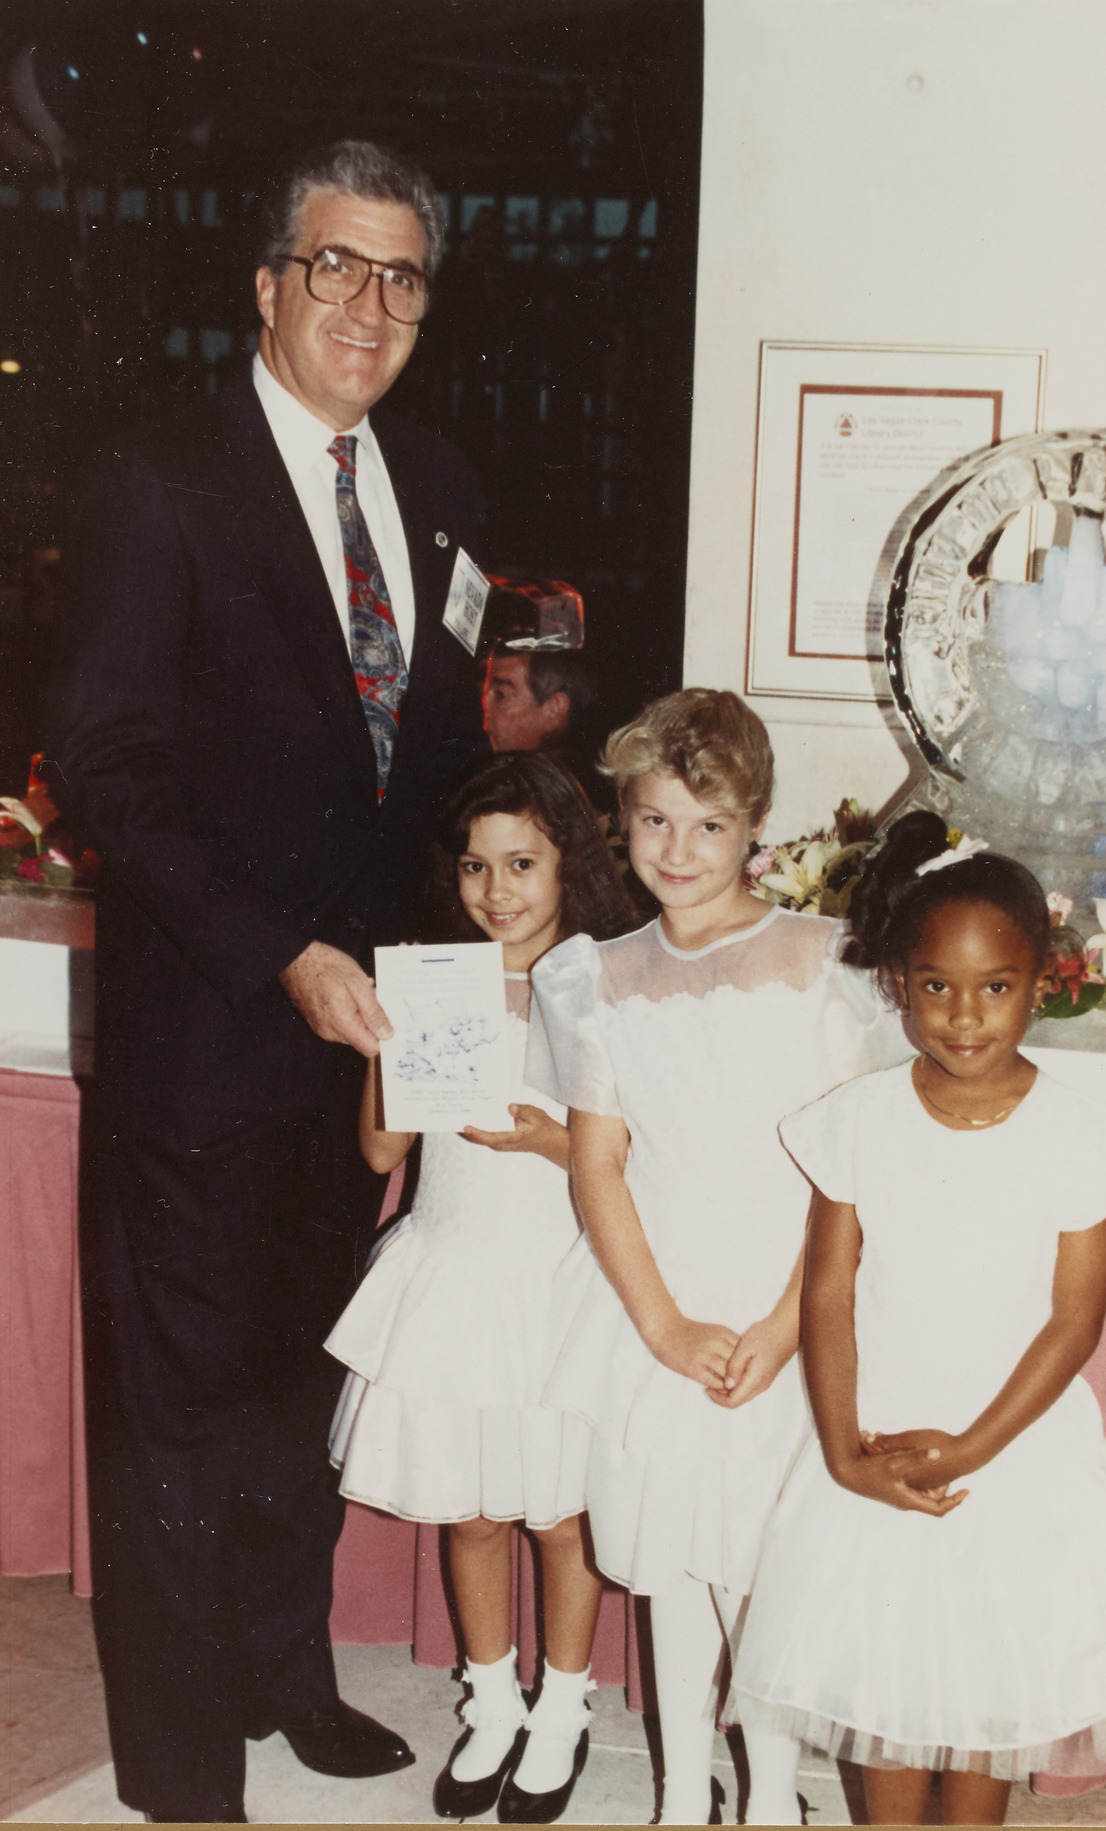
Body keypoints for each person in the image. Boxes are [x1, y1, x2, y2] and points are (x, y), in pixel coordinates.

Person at [46, 140, 487, 1823]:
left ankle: (282, 1675)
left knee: (308, 1380)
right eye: (333, 267)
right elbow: (109, 767)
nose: (366, 305)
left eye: (399, 275)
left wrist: (460, 988)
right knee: (179, 1407)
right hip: (208, 1039)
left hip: (368, 1056)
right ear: (265, 285)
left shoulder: (435, 477)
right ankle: (175, 1767)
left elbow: (434, 769)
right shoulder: (158, 477)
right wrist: (279, 953)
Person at [730, 812, 1106, 1827]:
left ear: (1040, 981)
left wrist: (973, 1448)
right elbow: (829, 1293)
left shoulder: (1075, 1133)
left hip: (1012, 1455)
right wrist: (844, 1451)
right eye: (936, 986)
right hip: (878, 1442)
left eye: (994, 986)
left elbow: (1073, 1322)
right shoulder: (858, 1118)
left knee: (990, 1698)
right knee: (890, 1694)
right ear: (898, 984)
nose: (963, 1015)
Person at [525, 688, 910, 1825]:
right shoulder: (590, 975)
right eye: (652, 821)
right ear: (620, 822)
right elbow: (597, 1162)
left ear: (755, 829)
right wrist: (660, 1324)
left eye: (706, 825)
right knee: (676, 1552)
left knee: (766, 1561)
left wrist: (788, 1323)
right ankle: (684, 1787)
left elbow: (850, 1166)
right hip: (663, 1305)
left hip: (790, 1299)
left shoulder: (819, 961)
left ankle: (771, 1791)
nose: (677, 850)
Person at [325, 753, 635, 1824]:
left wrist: (553, 1140)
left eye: (521, 863)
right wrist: (385, 1047)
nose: (496, 889)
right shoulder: (435, 980)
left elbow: (636, 1157)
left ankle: (564, 1707)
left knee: (555, 1512)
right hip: (453, 1270)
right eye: (475, 865)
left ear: (567, 867)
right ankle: (492, 1697)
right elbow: (378, 1153)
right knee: (468, 1508)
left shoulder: (598, 986)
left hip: (552, 1279)